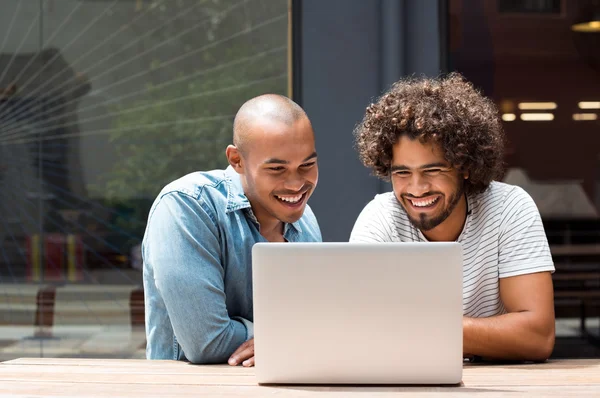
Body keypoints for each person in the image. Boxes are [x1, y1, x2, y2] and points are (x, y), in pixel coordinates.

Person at [349, 73, 555, 361]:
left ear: (465, 167)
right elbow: (360, 331)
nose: (417, 189)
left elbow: (537, 337)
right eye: (403, 173)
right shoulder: (380, 218)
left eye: (433, 171)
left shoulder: (510, 208)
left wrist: (419, 328)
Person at [142, 94, 321, 366]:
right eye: (277, 169)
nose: (296, 184)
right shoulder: (187, 205)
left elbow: (317, 330)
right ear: (237, 160)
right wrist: (290, 337)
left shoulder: (306, 221)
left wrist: (301, 337)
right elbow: (207, 342)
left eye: (307, 165)